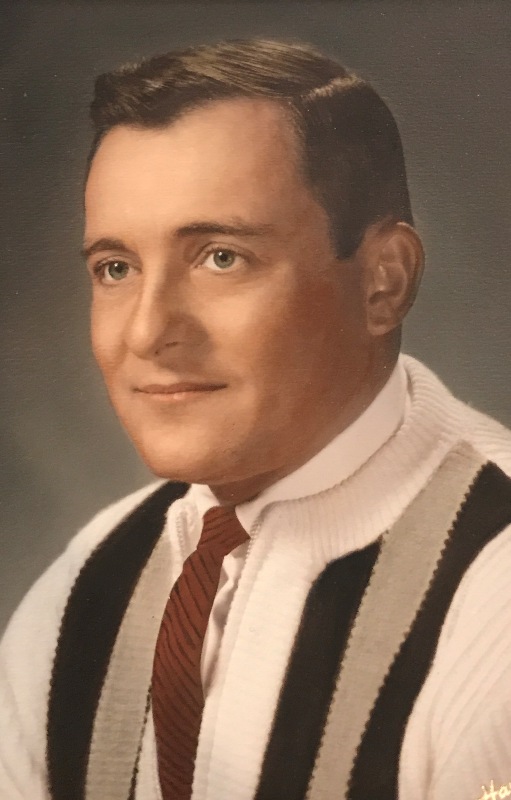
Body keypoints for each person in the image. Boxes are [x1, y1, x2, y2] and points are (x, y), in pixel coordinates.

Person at [1, 38, 510, 800]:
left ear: (384, 281)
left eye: (220, 257)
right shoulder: (86, 585)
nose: (146, 332)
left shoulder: (492, 586)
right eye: (116, 268)